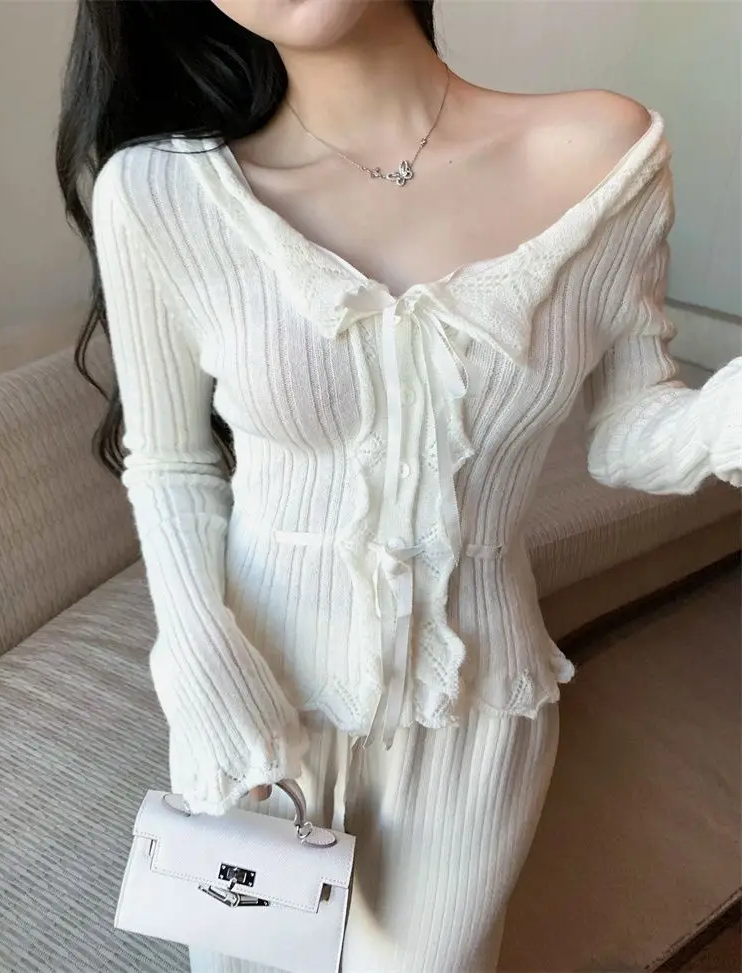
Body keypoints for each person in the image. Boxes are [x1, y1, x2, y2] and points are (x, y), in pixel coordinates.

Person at [57, 1, 742, 970]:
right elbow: (170, 462)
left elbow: (629, 434)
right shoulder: (159, 192)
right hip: (251, 707)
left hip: (470, 711)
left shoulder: (603, 154)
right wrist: (199, 666)